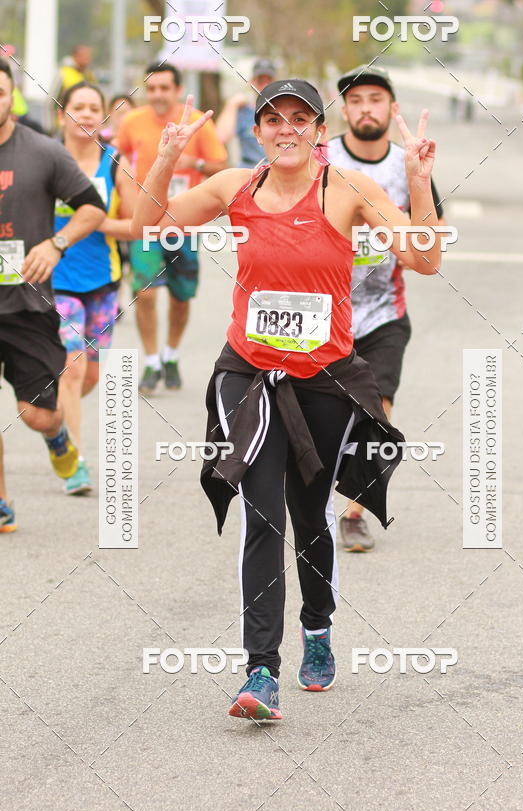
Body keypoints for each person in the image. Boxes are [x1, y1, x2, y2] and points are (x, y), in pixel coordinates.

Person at [131, 80, 442, 720]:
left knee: (310, 516)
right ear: (260, 132)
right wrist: (164, 157)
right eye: (275, 120)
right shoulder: (233, 187)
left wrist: (417, 179)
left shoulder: (347, 190)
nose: (288, 130)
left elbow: (426, 259)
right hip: (247, 374)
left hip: (322, 378)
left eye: (301, 119)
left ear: (319, 133)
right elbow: (147, 228)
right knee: (263, 516)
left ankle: (319, 628)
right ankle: (261, 671)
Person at [327, 65, 446, 552]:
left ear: (390, 108)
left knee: (375, 412)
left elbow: (430, 240)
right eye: (355, 101)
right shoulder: (322, 160)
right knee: (321, 417)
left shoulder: (408, 164)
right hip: (320, 312)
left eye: (375, 99)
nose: (365, 109)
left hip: (383, 312)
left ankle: (354, 510)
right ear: (344, 111)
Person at [0, 59, 105, 532]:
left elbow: (93, 208)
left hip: (27, 303)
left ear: (12, 99)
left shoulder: (43, 153)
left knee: (36, 415)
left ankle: (59, 436)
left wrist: (55, 243)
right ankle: (2, 500)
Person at [117, 62, 227, 394]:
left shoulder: (195, 122)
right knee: (145, 293)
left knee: (180, 297)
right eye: (151, 88)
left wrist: (193, 162)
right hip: (147, 222)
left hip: (184, 224)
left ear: (177, 90)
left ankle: (171, 354)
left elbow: (221, 164)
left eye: (164, 88)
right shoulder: (132, 122)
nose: (157, 94)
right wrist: (127, 202)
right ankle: (151, 361)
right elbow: (121, 160)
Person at [52, 82, 136, 495]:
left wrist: (94, 220)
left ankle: (55, 414)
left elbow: (138, 226)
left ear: (102, 118)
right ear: (61, 115)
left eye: (93, 109)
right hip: (55, 279)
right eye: (77, 107)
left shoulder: (115, 163)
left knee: (91, 374)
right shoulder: (47, 160)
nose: (85, 114)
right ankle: (74, 463)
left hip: (104, 282)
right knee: (73, 366)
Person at [216, 58, 276, 167]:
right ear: (251, 82)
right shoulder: (243, 111)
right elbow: (221, 137)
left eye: (269, 81)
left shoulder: (284, 113)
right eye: (260, 81)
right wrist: (231, 104)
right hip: (249, 170)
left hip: (277, 170)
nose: (265, 86)